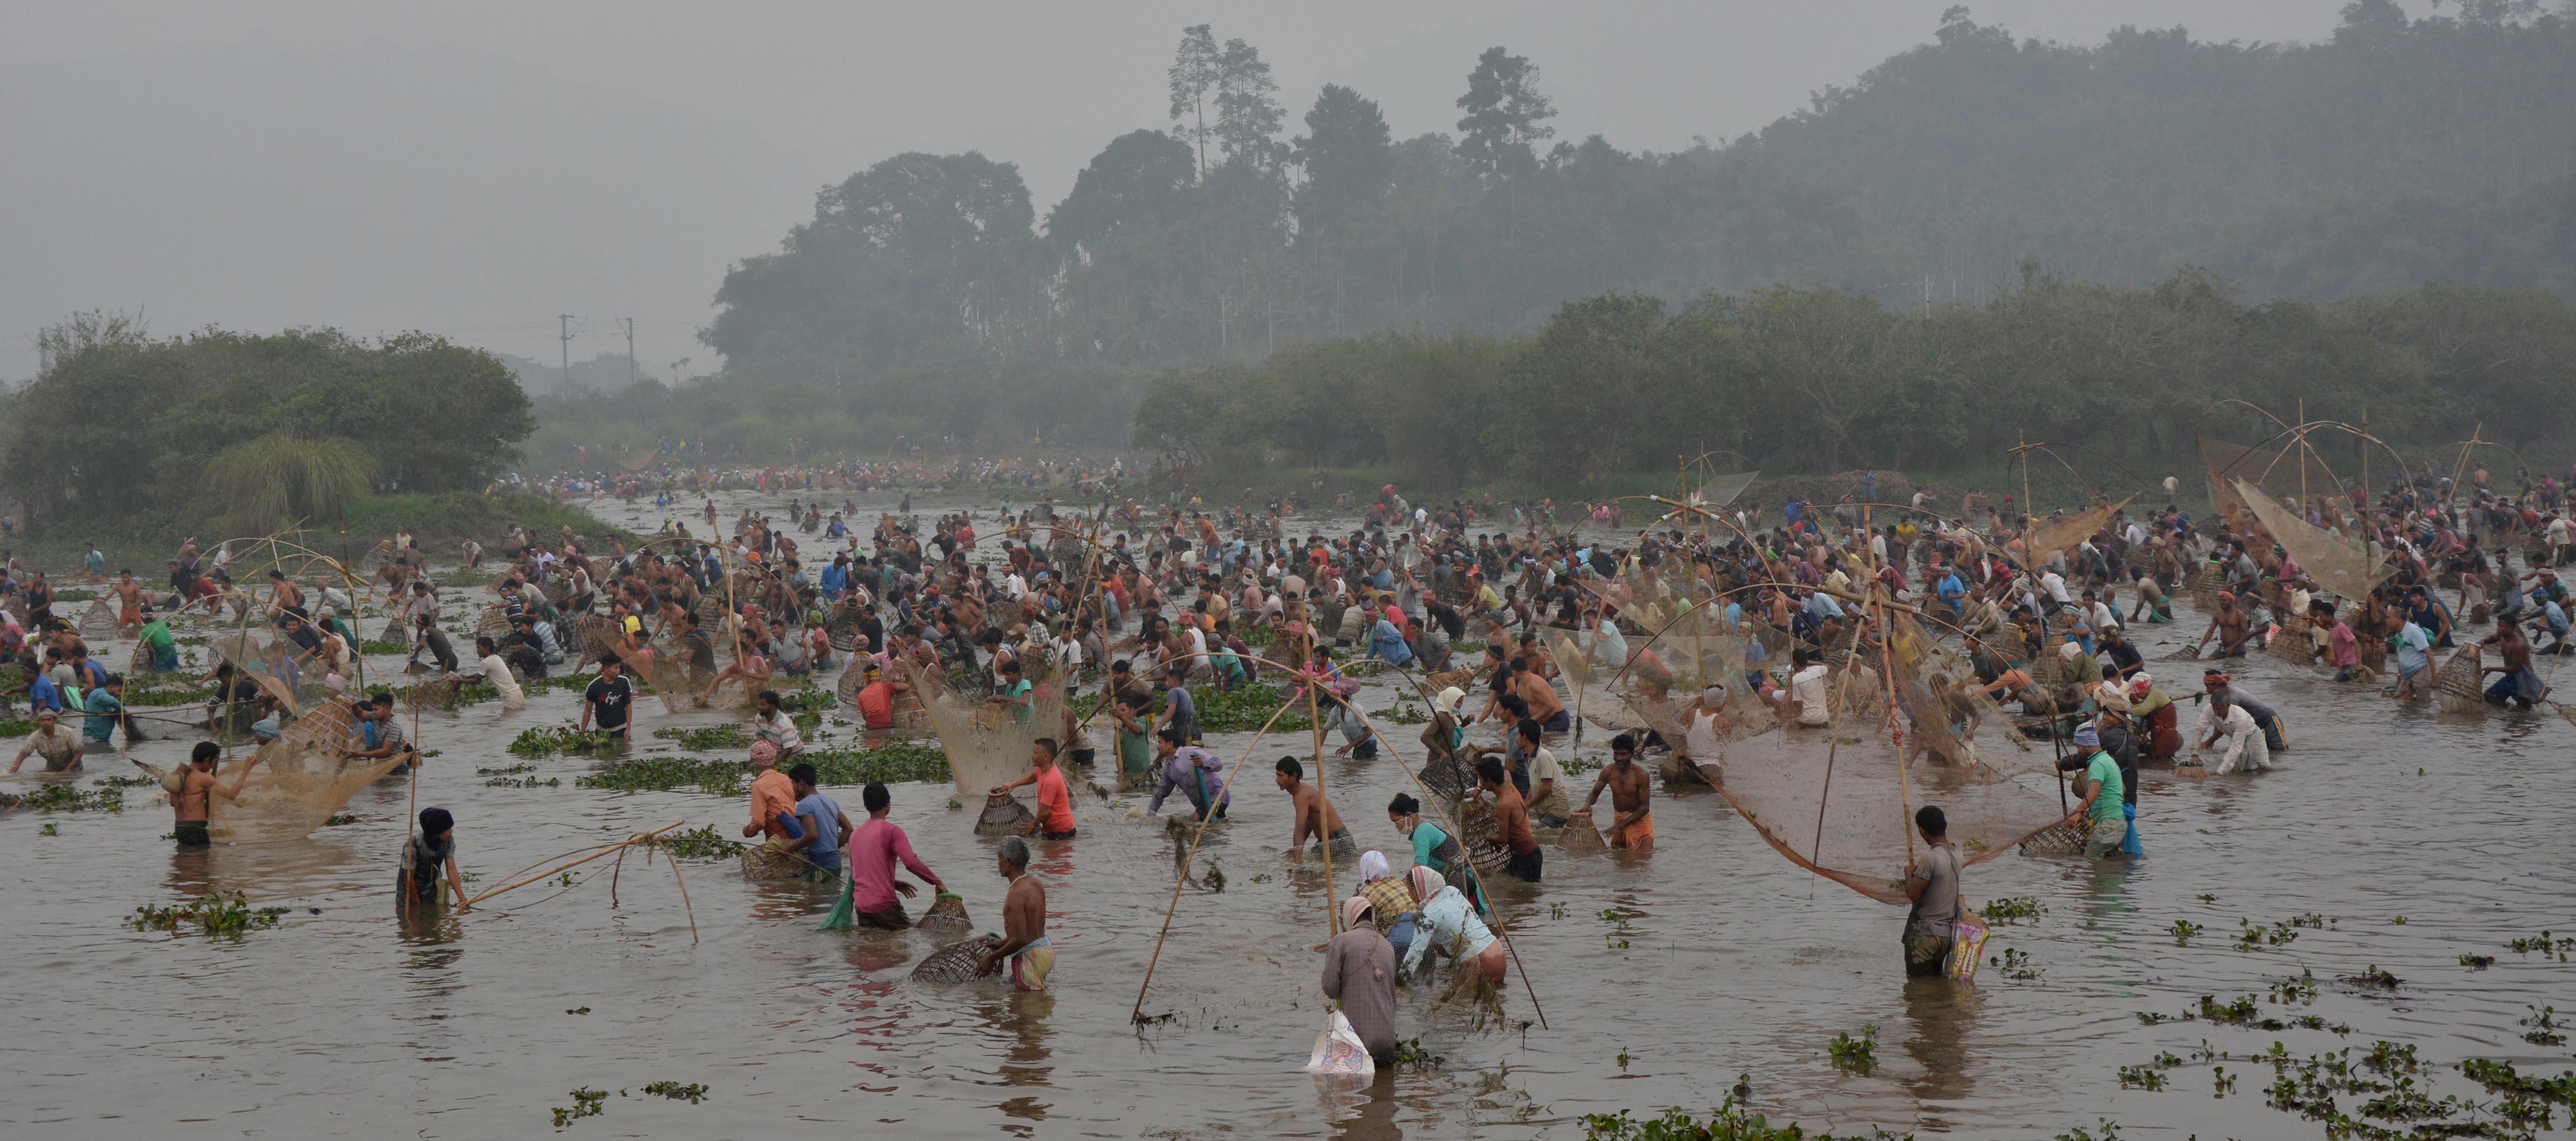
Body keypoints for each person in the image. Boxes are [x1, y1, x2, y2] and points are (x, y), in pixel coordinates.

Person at [843, 782, 943, 928]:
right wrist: (936, 882)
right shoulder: (892, 831)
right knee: (908, 939)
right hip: (884, 904)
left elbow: (858, 872)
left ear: (866, 806)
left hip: (862, 906)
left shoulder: (855, 834)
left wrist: (892, 883)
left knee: (871, 947)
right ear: (888, 805)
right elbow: (911, 862)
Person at [1321, 895, 1400, 1059]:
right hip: (1387, 1043)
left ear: (1350, 917)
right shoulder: (1388, 947)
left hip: (1356, 1043)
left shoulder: (1341, 941)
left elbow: (1330, 989)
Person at [1400, 865, 1503, 984]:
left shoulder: (1429, 912)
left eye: (1410, 890)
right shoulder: (1451, 891)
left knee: (1461, 1002)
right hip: (1498, 952)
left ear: (1419, 888)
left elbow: (1416, 951)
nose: (1409, 895)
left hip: (1481, 961)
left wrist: (1401, 979)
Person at [973, 836, 1052, 991]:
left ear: (1008, 862)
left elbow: (1021, 939)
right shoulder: (1034, 882)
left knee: (1024, 1012)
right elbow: (1029, 931)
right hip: (1044, 950)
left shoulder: (1016, 893)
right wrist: (1003, 943)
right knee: (1027, 1003)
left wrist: (991, 958)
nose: (998, 864)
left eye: (999, 859)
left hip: (1030, 957)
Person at [1900, 804, 1962, 977]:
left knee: (1918, 990)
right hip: (1946, 937)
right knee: (1935, 986)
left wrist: (1908, 875)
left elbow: (1913, 893)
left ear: (1922, 831)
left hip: (1924, 937)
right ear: (1945, 825)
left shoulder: (1930, 858)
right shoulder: (1958, 854)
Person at [171, 740, 257, 848]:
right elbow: (231, 795)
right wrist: (246, 770)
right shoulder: (203, 778)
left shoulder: (178, 774)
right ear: (207, 760)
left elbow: (172, 803)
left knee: (186, 860)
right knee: (201, 862)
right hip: (196, 829)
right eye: (214, 762)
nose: (212, 767)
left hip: (180, 827)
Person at [1581, 732, 1655, 852]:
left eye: (1623, 754)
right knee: (1619, 858)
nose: (1619, 758)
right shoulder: (1608, 772)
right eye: (1616, 754)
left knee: (1644, 856)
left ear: (1632, 754)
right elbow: (1594, 794)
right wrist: (1587, 804)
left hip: (1639, 820)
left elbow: (1644, 808)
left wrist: (1618, 826)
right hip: (1619, 818)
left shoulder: (1641, 775)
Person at [992, 738, 1075, 840]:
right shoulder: (1043, 769)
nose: (1032, 756)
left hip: (1061, 832)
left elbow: (1044, 813)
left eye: (1036, 753)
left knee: (1051, 855)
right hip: (1051, 829)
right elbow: (1033, 777)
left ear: (1046, 757)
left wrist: (1033, 824)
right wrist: (1012, 785)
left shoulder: (1051, 781)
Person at [1276, 756, 1354, 860]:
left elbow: (1299, 829)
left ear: (1293, 776)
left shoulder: (1302, 796)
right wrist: (1298, 849)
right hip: (1326, 841)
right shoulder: (1298, 794)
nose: (1277, 780)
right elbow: (1309, 823)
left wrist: (1298, 861)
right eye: (1277, 775)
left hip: (1338, 841)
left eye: (1281, 776)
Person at [1478, 756, 1542, 882]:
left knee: (1522, 898)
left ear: (1489, 781)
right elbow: (1506, 772)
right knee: (1509, 890)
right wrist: (1478, 789)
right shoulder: (1508, 784)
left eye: (1481, 781)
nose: (1480, 784)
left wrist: (1488, 838)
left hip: (1527, 857)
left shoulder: (1503, 804)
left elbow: (1503, 838)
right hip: (1520, 855)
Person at [779, 763, 850, 876]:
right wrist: (834, 848)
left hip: (820, 862)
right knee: (831, 891)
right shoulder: (830, 801)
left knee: (816, 892)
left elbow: (812, 834)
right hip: (835, 861)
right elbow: (848, 829)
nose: (791, 788)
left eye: (793, 783)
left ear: (801, 784)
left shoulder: (805, 805)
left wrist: (791, 847)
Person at [2068, 725, 2126, 860]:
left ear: (2086, 746)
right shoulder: (2108, 760)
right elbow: (2123, 789)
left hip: (2108, 825)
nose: (2078, 751)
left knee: (2090, 861)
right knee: (2109, 868)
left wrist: (2078, 812)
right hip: (2117, 823)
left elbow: (2094, 792)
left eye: (2078, 747)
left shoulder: (2098, 764)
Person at [1145, 729, 1230, 821]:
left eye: (1160, 743)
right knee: (1200, 825)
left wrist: (1203, 764)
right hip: (1201, 805)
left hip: (1217, 796)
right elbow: (1161, 793)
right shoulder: (1168, 769)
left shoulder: (1190, 752)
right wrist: (1150, 815)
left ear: (1169, 744)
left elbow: (1218, 764)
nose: (1158, 747)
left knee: (1201, 823)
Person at [398, 806, 470, 914]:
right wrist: (418, 909)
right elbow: (409, 880)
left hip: (432, 890)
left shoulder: (448, 841)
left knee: (434, 922)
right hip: (409, 895)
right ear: (436, 833)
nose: (451, 832)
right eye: (448, 829)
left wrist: (461, 897)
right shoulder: (412, 845)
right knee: (414, 923)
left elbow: (451, 869)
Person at [1355, 850, 1418, 964]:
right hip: (1421, 929)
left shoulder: (1366, 894)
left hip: (1400, 938)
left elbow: (1366, 929)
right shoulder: (1398, 882)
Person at [2191, 690, 2271, 775]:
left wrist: (2220, 772)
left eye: (2220, 709)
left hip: (2253, 736)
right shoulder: (2209, 710)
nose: (2216, 712)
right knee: (2237, 769)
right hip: (2235, 736)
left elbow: (2235, 747)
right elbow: (2200, 730)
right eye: (2214, 708)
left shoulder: (2240, 717)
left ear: (2228, 706)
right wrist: (2195, 754)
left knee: (2264, 767)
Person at [1514, 719, 1569, 828]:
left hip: (1557, 812)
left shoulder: (1543, 756)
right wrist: (1524, 805)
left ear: (1524, 737)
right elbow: (1534, 786)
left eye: (1518, 735)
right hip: (1546, 813)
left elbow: (1547, 788)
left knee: (1538, 835)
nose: (1517, 739)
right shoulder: (1530, 758)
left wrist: (1529, 804)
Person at [741, 740, 802, 841]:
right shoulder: (786, 779)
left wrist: (748, 831)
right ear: (774, 758)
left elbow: (759, 822)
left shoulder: (759, 786)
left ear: (753, 760)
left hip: (777, 839)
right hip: (797, 833)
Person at [9, 709, 82, 773]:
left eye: (49, 719)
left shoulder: (66, 731)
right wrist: (11, 774)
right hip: (52, 769)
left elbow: (80, 751)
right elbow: (22, 756)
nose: (46, 723)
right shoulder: (35, 737)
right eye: (43, 720)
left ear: (54, 721)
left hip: (74, 768)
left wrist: (69, 768)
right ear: (39, 722)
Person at [580, 657, 635, 740]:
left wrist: (628, 729)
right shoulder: (594, 686)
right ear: (606, 668)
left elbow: (628, 707)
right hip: (601, 730)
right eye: (615, 668)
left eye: (619, 668)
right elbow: (588, 711)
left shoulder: (624, 682)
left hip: (620, 729)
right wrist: (582, 732)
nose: (618, 671)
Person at [80, 673, 124, 753]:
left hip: (102, 738)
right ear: (111, 687)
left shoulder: (106, 697)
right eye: (119, 691)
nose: (120, 694)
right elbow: (112, 701)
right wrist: (125, 712)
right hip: (93, 737)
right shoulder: (98, 693)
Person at [751, 690, 803, 757]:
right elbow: (757, 741)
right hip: (777, 752)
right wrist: (754, 756)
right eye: (759, 704)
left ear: (773, 706)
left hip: (795, 755)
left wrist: (773, 763)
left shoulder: (784, 723)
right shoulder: (759, 718)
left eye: (763, 705)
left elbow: (788, 750)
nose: (759, 707)